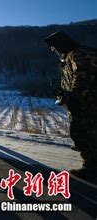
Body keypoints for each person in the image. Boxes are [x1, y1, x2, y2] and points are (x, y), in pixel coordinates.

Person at [45, 31, 97, 179]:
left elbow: (83, 76)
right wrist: (63, 92)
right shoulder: (69, 55)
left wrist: (74, 97)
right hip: (84, 101)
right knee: (87, 132)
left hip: (88, 102)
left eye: (54, 47)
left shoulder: (79, 54)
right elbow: (70, 78)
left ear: (61, 43)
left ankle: (92, 166)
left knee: (82, 132)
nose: (53, 50)